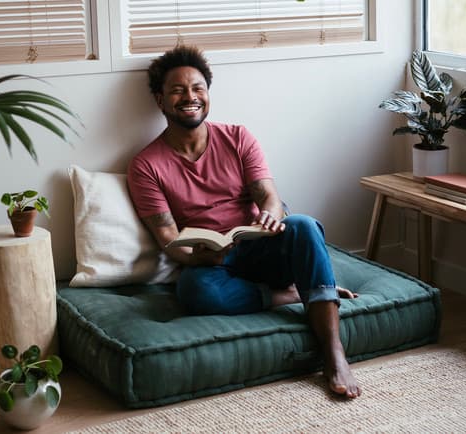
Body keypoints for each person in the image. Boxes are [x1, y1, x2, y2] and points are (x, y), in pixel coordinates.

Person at [127, 45, 361, 398]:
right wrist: (199, 256)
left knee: (304, 225)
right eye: (177, 90)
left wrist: (270, 214)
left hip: (261, 246)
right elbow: (168, 239)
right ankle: (294, 294)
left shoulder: (237, 137)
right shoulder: (146, 165)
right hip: (215, 263)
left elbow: (268, 194)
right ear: (160, 101)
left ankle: (334, 356)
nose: (190, 97)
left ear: (207, 94)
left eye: (197, 88)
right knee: (194, 290)